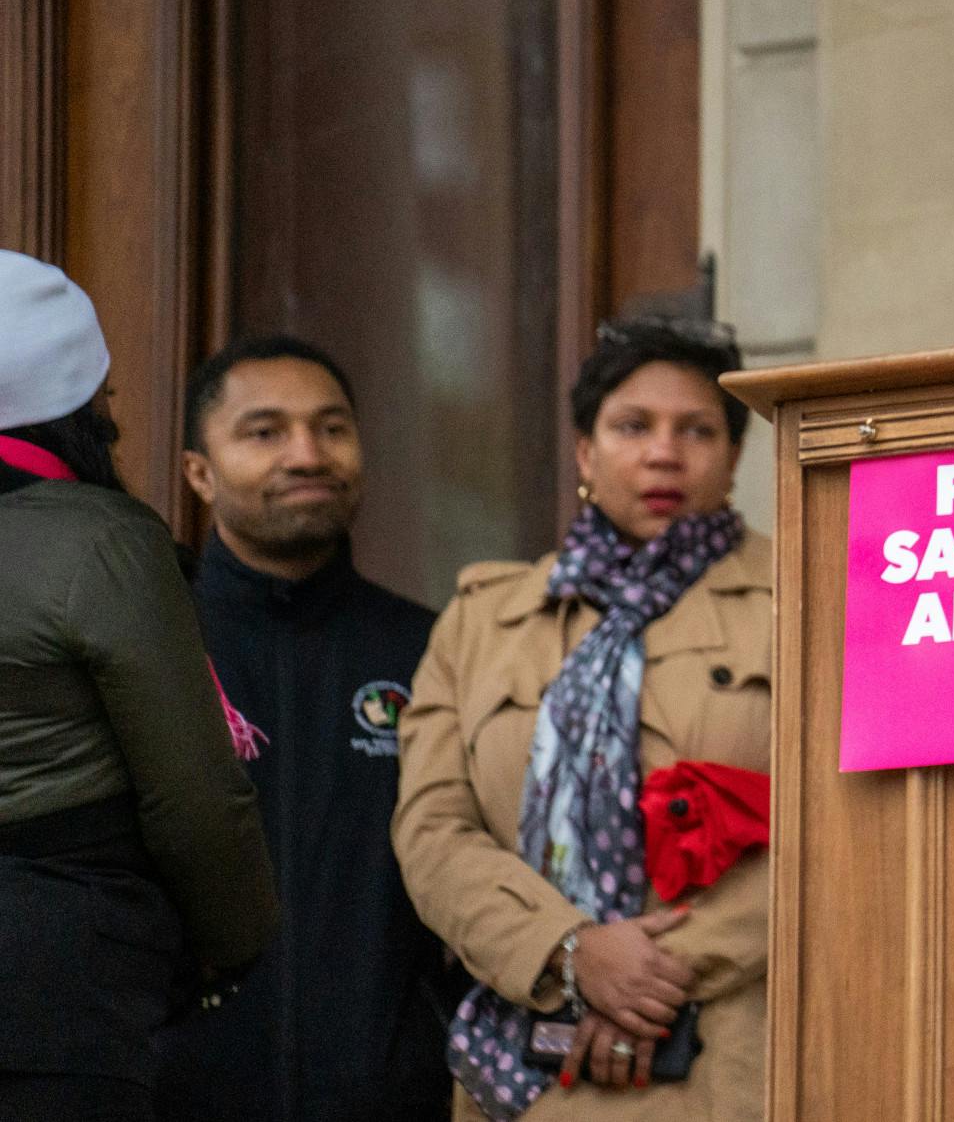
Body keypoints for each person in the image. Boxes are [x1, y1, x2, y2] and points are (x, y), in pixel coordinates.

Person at [394, 317, 772, 1121]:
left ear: (735, 456)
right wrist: (570, 952)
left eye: (696, 430)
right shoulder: (480, 621)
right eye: (633, 426)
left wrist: (643, 971)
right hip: (529, 1068)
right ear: (586, 451)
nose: (663, 452)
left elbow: (849, 830)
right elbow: (432, 832)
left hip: (731, 1060)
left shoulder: (807, 601)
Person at [0, 250, 278, 1120]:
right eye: (106, 397)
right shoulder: (103, 542)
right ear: (74, 408)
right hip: (56, 983)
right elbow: (194, 795)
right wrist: (236, 945)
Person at [154, 336, 455, 1121]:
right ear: (199, 471)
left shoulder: (434, 648)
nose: (308, 453)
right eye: (265, 431)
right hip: (172, 1095)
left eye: (332, 428)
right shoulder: (149, 644)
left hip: (388, 1097)